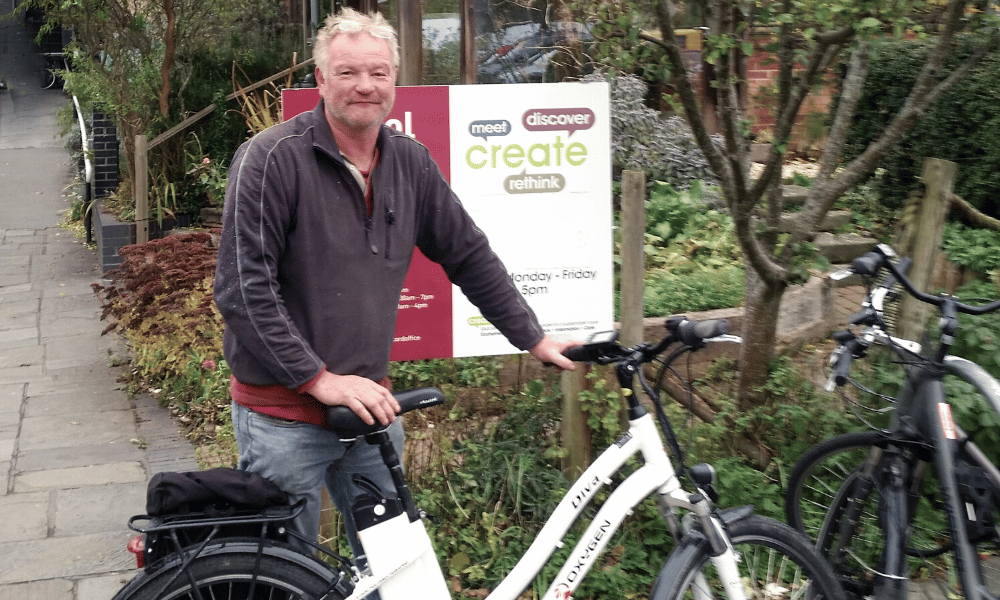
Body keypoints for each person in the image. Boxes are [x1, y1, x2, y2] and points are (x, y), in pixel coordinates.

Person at [212, 7, 577, 559]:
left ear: (395, 81)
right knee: (287, 579)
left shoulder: (410, 163)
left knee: (395, 569)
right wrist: (318, 379)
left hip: (369, 413)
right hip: (281, 420)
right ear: (320, 79)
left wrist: (533, 337)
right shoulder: (270, 160)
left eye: (379, 73)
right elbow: (243, 289)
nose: (365, 86)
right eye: (349, 72)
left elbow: (468, 255)